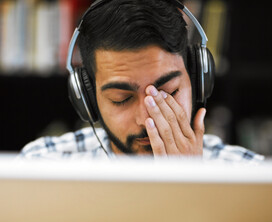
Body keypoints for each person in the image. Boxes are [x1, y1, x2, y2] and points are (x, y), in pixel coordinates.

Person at [19, 0, 264, 162]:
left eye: (168, 92)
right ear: (88, 98)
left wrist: (190, 186)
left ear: (198, 80)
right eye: (122, 99)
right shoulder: (41, 163)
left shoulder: (248, 173)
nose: (147, 119)